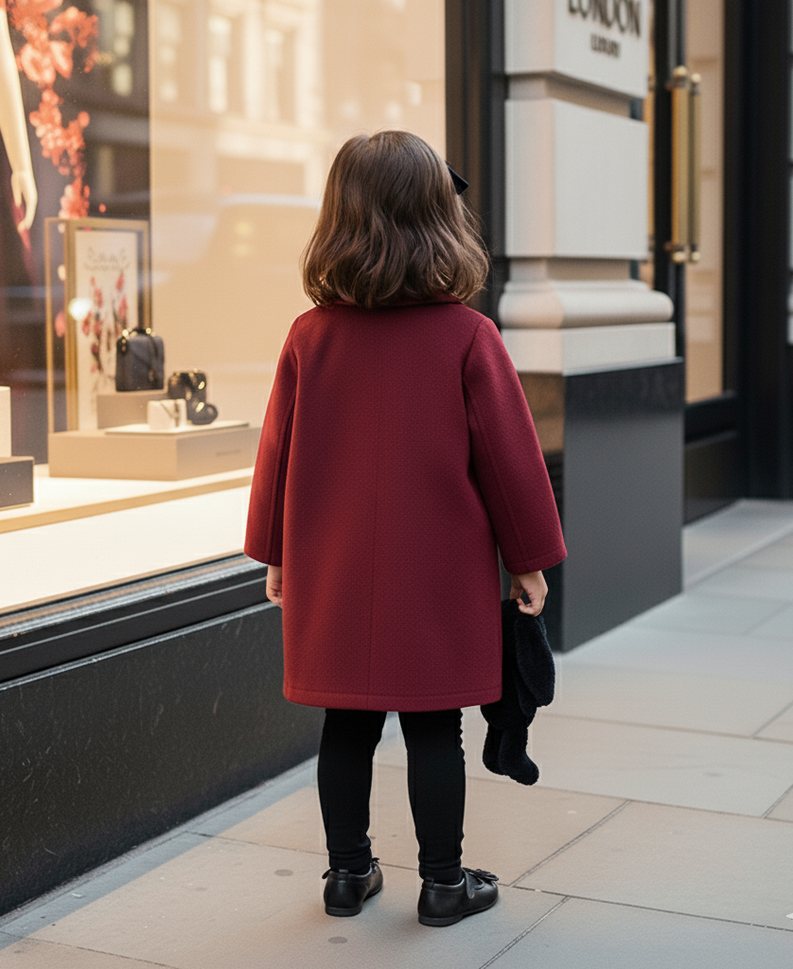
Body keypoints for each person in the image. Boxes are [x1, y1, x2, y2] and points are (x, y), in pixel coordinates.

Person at [244, 130, 566, 928]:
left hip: (335, 569)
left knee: (345, 723)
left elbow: (277, 453)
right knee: (434, 726)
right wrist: (529, 560)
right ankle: (444, 883)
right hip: (437, 572)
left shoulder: (308, 337)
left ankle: (347, 873)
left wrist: (276, 554)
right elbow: (511, 462)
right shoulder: (469, 337)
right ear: (438, 219)